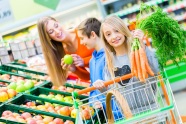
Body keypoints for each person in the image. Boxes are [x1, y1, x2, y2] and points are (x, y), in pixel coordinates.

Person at [93, 15, 160, 120]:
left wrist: (142, 45)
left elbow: (156, 69)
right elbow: (112, 91)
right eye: (108, 34)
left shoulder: (138, 51)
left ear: (123, 30)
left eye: (116, 31)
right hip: (129, 117)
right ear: (105, 39)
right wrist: (101, 86)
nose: (114, 36)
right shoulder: (109, 63)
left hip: (152, 111)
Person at [37, 16, 94, 86]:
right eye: (51, 31)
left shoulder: (82, 32)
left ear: (58, 22)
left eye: (56, 26)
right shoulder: (63, 52)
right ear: (48, 37)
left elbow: (106, 54)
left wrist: (83, 61)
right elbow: (88, 77)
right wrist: (74, 70)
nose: (57, 32)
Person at [76, 17, 106, 106]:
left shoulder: (109, 56)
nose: (81, 43)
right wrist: (94, 103)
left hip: (118, 111)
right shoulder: (92, 61)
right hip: (104, 112)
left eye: (82, 38)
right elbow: (93, 88)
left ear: (93, 35)